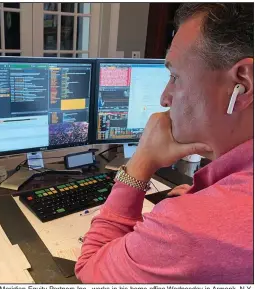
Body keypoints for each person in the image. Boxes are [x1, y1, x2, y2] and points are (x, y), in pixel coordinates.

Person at [76, 3, 253, 283]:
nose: (164, 98)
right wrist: (205, 196)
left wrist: (141, 162)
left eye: (175, 77)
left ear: (242, 83)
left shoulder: (193, 227)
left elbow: (90, 270)